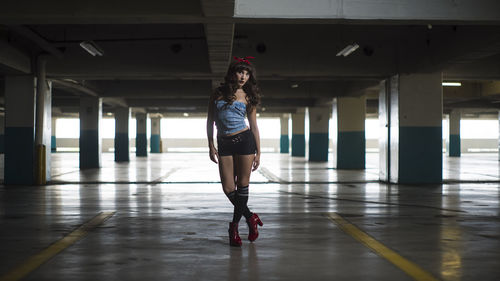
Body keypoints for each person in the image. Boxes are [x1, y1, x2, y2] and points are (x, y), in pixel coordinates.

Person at [206, 56, 263, 247]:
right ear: (232, 73)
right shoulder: (217, 93)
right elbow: (210, 121)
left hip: (244, 141)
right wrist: (210, 145)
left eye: (247, 74)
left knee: (242, 184)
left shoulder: (249, 96)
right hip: (224, 143)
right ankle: (250, 217)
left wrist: (259, 152)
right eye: (240, 72)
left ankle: (234, 227)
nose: (243, 77)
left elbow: (254, 126)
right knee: (228, 188)